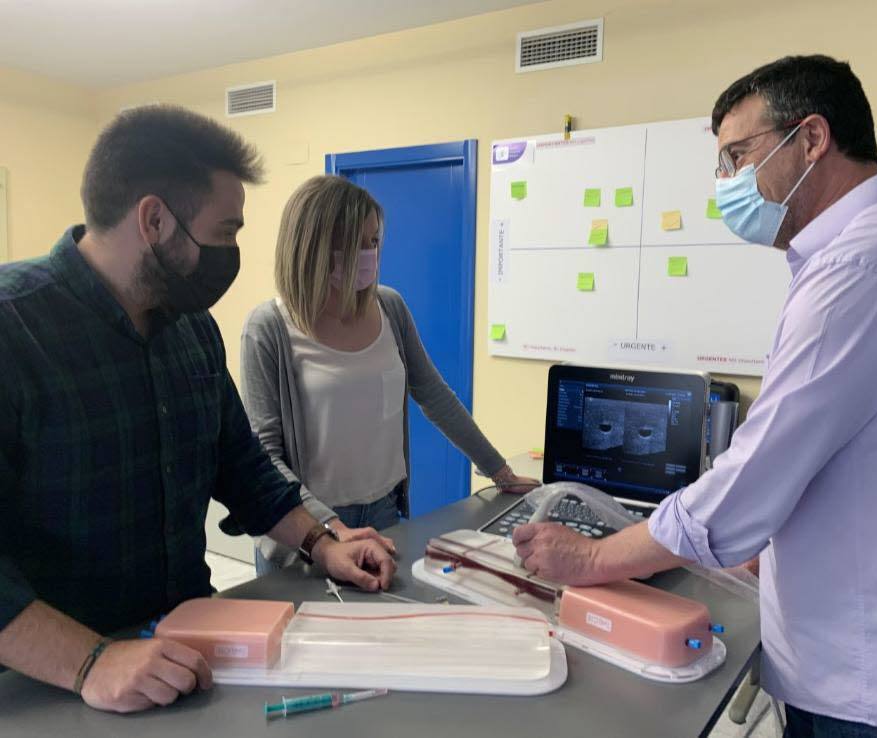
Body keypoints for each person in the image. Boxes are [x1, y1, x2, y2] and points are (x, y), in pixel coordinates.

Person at [513, 55, 877, 738]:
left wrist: (588, 558)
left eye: (739, 155)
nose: (728, 184)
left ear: (812, 138)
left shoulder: (865, 266)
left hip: (873, 681)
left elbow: (753, 475)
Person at [0, 106, 395, 714]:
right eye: (226, 231)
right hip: (52, 683)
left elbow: (241, 465)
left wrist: (321, 541)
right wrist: (91, 662)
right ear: (155, 219)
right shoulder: (13, 328)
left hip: (187, 654)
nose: (233, 253)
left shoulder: (193, 331)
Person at [242, 175, 539, 573]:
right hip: (305, 527)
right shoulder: (269, 327)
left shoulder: (390, 307)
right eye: (356, 244)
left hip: (383, 510)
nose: (370, 255)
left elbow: (435, 395)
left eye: (374, 241)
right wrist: (325, 527)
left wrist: (499, 472)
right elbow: (264, 454)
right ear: (314, 247)